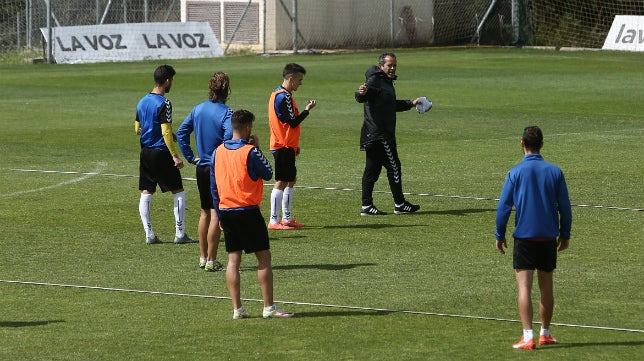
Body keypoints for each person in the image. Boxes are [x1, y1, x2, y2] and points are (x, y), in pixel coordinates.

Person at [494, 126, 572, 350]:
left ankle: (528, 336)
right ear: (542, 144)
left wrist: (499, 234)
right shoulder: (555, 172)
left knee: (524, 289)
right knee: (547, 288)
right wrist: (565, 234)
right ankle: (545, 333)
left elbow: (503, 208)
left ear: (522, 144)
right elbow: (565, 208)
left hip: (524, 238)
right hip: (548, 237)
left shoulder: (515, 172)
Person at [212, 109, 294, 319]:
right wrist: (256, 148)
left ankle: (237, 309)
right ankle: (268, 307)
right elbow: (268, 173)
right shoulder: (250, 151)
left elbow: (214, 187)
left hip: (226, 211)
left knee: (233, 261)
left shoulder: (218, 151)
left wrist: (220, 215)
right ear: (248, 128)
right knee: (264, 258)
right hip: (247, 210)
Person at [177, 72, 233, 271]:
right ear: (227, 90)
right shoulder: (227, 113)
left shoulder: (198, 109)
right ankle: (211, 260)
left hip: (201, 168)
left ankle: (202, 257)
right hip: (217, 168)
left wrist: (191, 156)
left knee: (204, 213)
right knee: (216, 213)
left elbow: (182, 133)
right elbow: (229, 138)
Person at [355, 52, 423, 216]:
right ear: (381, 66)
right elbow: (362, 95)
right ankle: (399, 204)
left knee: (372, 170)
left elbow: (391, 105)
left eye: (394, 65)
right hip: (379, 134)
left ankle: (367, 206)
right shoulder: (376, 80)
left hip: (375, 134)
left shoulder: (386, 82)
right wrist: (361, 92)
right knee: (394, 167)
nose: (392, 68)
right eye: (389, 65)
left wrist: (411, 103)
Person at [135, 64, 196, 245]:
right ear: (167, 80)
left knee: (147, 192)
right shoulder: (164, 103)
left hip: (145, 152)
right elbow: (165, 132)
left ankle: (149, 235)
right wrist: (175, 156)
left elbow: (137, 128)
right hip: (161, 152)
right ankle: (180, 233)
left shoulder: (142, 101)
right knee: (178, 190)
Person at [267, 63, 317, 230]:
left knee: (291, 179)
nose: (300, 83)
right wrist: (307, 110)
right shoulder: (284, 96)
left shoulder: (278, 94)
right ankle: (274, 221)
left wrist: (295, 145)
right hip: (283, 145)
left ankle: (287, 218)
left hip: (287, 144)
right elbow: (292, 122)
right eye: (299, 80)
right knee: (281, 181)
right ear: (291, 78)